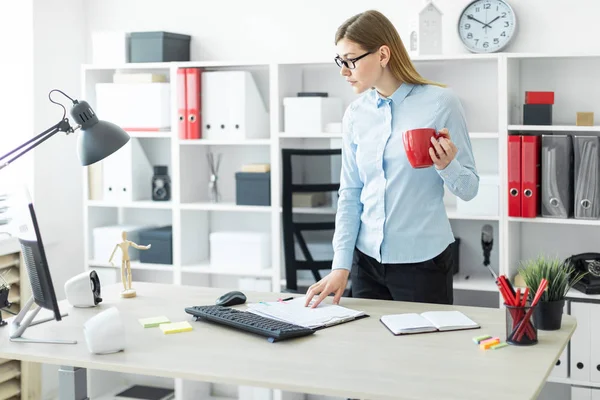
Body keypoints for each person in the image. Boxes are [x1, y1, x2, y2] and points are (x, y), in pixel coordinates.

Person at [305, 10, 479, 308]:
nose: (344, 71)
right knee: (372, 353)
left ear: (383, 54)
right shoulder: (356, 115)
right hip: (366, 262)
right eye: (340, 61)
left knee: (422, 352)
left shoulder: (440, 102)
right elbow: (350, 194)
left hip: (423, 263)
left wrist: (447, 166)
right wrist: (340, 265)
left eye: (351, 60)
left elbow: (470, 188)